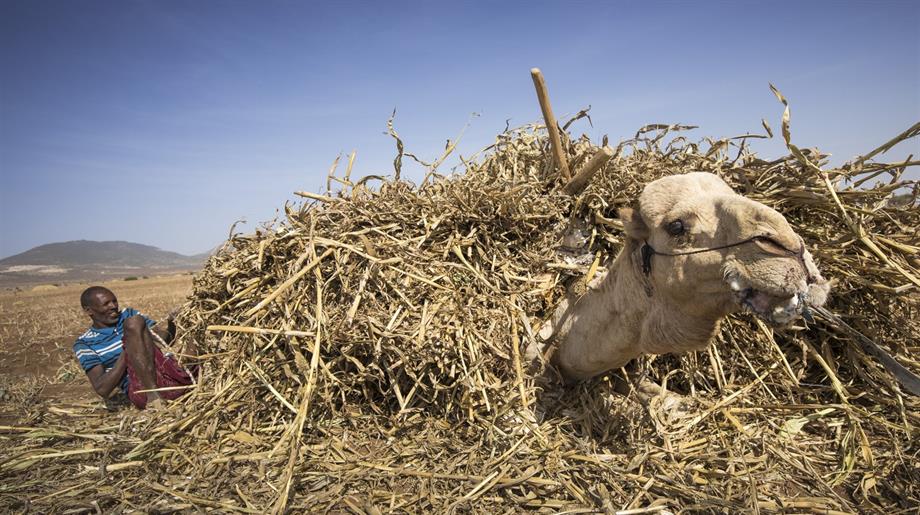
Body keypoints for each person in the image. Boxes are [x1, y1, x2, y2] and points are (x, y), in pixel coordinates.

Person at [73, 286, 198, 409]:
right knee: (133, 323)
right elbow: (103, 389)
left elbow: (164, 341)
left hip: (171, 375)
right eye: (106, 304)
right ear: (89, 311)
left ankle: (194, 376)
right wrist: (129, 348)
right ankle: (153, 395)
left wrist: (172, 324)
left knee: (198, 322)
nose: (113, 306)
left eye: (114, 301)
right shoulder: (85, 343)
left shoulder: (128, 314)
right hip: (141, 389)